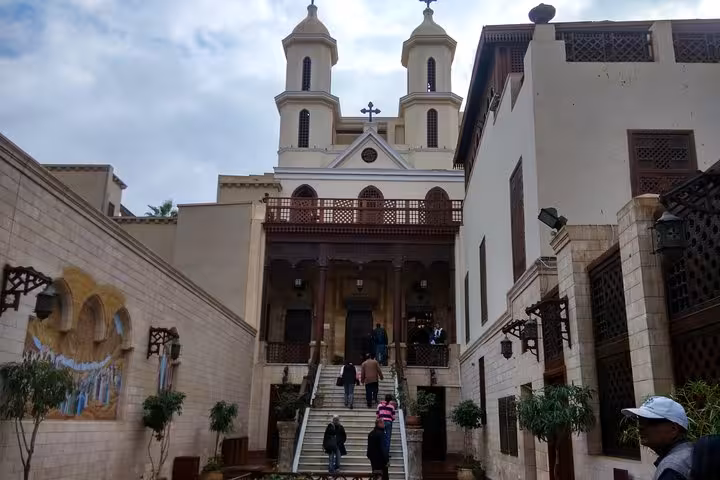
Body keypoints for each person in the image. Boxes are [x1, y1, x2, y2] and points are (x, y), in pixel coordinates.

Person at [621, 396, 693, 480]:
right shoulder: (690, 452)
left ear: (673, 429)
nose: (640, 427)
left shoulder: (671, 468)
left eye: (650, 421)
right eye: (640, 421)